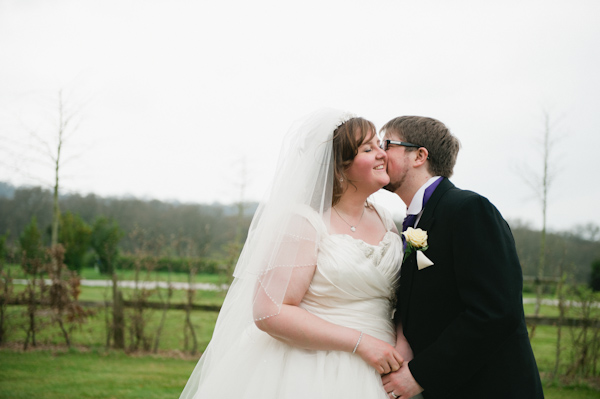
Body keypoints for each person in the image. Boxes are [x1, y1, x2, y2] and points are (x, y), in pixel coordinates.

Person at [179, 108, 407, 399]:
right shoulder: (303, 223)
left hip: (385, 369)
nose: (381, 154)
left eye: (379, 145)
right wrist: (361, 343)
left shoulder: (386, 219)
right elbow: (270, 311)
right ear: (338, 166)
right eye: (368, 148)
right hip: (315, 371)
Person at [380, 116, 544, 399]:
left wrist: (421, 375)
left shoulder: (469, 209)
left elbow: (495, 312)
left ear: (419, 155)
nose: (380, 153)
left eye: (388, 144)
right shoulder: (412, 222)